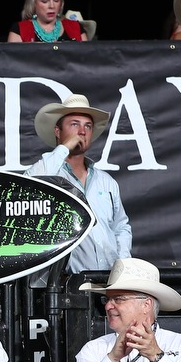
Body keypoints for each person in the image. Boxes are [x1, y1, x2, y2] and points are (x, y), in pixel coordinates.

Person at [26, 93, 131, 274]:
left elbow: (121, 227)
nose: (82, 131)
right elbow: (30, 189)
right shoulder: (45, 169)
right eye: (74, 124)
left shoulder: (106, 181)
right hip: (64, 285)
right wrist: (64, 148)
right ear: (58, 132)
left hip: (109, 281)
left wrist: (123, 266)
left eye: (88, 126)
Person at [7, 0, 86, 42]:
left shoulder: (76, 28)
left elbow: (87, 58)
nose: (52, 6)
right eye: (45, 1)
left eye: (56, 0)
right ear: (33, 3)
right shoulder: (19, 30)